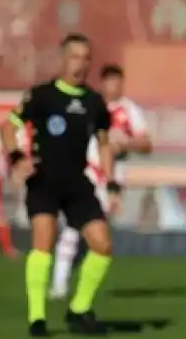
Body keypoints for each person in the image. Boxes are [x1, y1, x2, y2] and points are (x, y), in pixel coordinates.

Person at [0, 33, 119, 337]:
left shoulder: (94, 102)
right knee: (44, 241)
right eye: (76, 56)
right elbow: (8, 127)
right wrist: (16, 158)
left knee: (102, 245)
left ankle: (79, 309)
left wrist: (112, 182)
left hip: (78, 183)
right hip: (44, 180)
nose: (82, 63)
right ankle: (37, 318)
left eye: (87, 58)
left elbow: (104, 144)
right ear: (64, 59)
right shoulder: (41, 96)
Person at [49, 63, 152, 299]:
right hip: (86, 174)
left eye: (117, 81)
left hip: (113, 179)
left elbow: (146, 144)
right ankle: (59, 284)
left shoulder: (129, 110)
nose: (113, 86)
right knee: (75, 226)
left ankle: (69, 279)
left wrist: (126, 143)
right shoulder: (90, 105)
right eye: (109, 81)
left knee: (93, 235)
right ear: (102, 82)